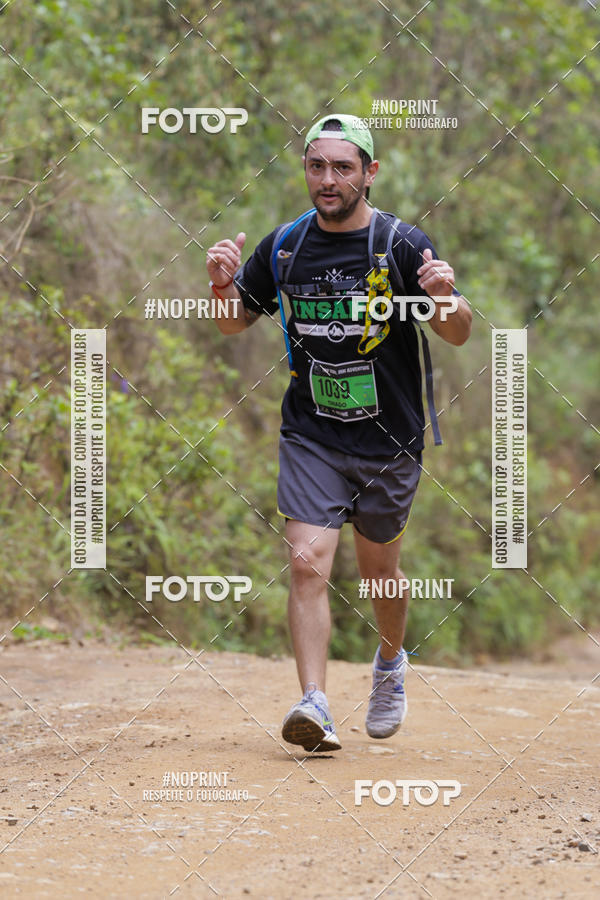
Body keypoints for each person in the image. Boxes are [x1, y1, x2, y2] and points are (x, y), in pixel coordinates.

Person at [206, 114, 472, 753]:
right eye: (317, 166)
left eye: (343, 167)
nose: (328, 179)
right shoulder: (286, 246)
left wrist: (445, 297)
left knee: (380, 572)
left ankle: (390, 662)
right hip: (312, 434)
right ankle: (315, 703)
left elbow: (457, 331)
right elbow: (233, 323)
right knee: (306, 563)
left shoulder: (400, 244)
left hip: (389, 439)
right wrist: (220, 285)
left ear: (369, 173)